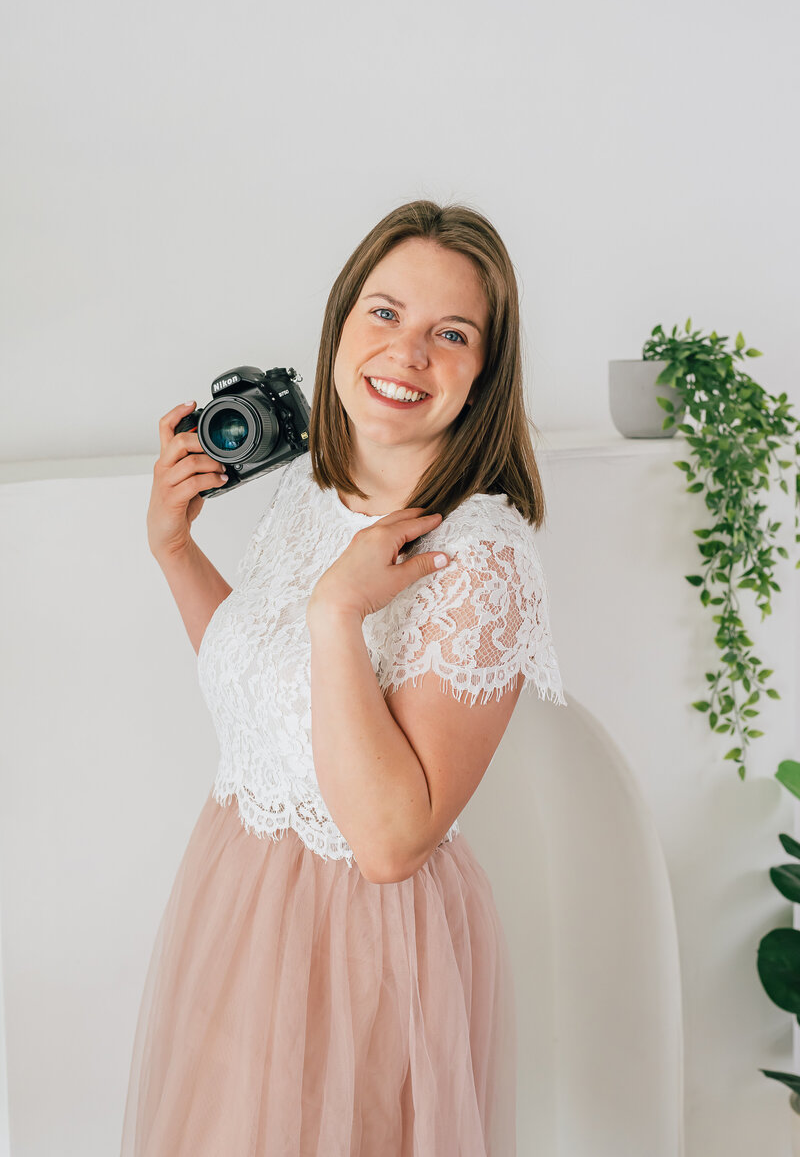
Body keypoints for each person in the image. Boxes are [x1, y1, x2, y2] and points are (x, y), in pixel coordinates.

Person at [120, 199, 567, 1156]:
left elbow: (391, 840)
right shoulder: (316, 485)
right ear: (337, 326)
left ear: (484, 371)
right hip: (239, 902)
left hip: (358, 948)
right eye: (384, 313)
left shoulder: (481, 557)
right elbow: (267, 702)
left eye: (451, 333)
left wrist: (338, 610)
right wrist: (174, 552)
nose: (407, 352)